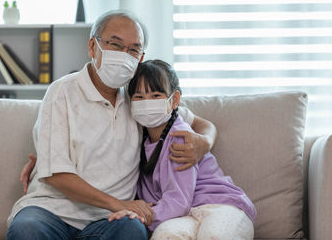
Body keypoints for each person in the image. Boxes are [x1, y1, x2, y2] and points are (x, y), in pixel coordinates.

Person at [6, 10, 217, 240]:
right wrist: (118, 203)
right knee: (26, 229)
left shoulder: (140, 99)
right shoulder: (62, 91)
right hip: (51, 211)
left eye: (133, 50)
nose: (124, 56)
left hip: (109, 220)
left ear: (141, 59)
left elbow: (199, 123)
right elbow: (55, 173)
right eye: (115, 45)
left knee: (132, 231)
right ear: (92, 47)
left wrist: (204, 142)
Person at [108, 60, 256, 239]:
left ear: (174, 100)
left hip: (220, 206)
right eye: (139, 97)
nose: (147, 103)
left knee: (214, 236)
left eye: (155, 95)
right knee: (165, 236)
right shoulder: (138, 139)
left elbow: (179, 199)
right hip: (182, 215)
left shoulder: (180, 137)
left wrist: (141, 215)